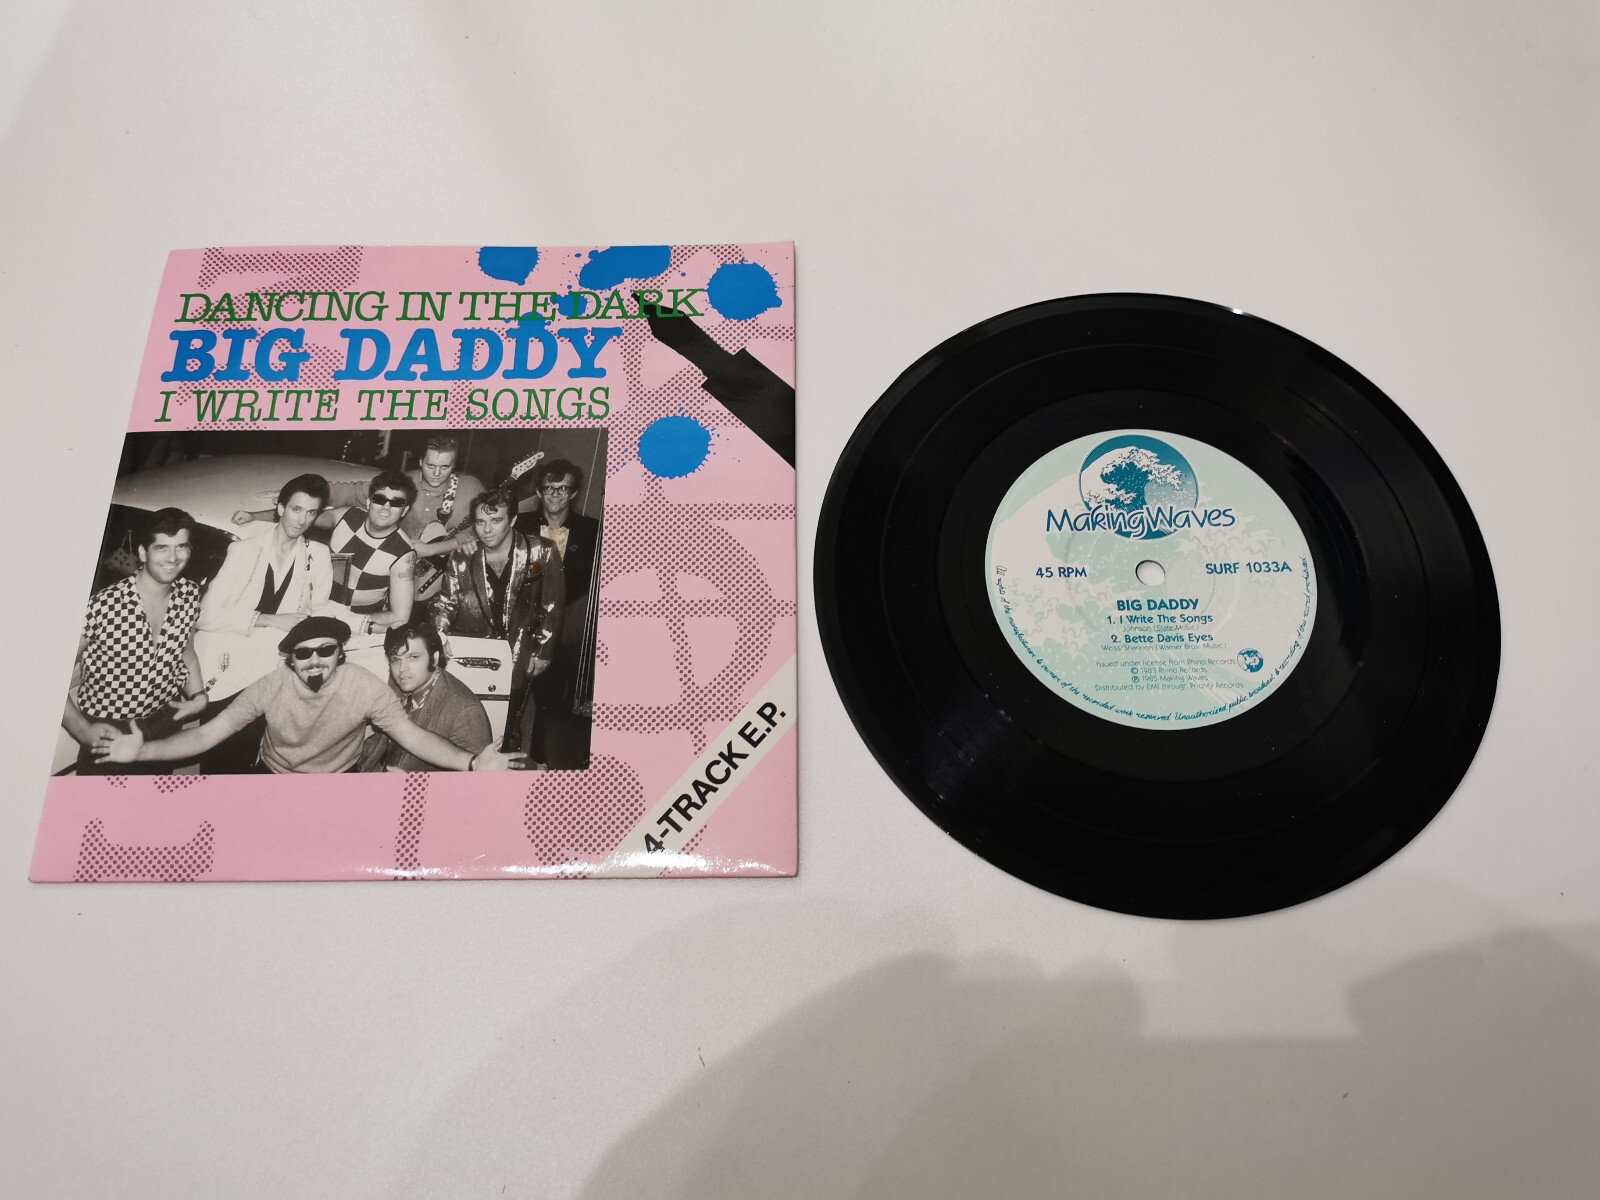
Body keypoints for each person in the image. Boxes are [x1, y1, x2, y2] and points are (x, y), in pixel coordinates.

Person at [92, 617, 525, 773]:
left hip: (336, 783)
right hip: (274, 775)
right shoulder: (269, 686)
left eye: (326, 651)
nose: (315, 661)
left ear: (340, 654)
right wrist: (141, 752)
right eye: (303, 653)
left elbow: (413, 736)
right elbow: (207, 735)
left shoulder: (364, 686)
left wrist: (472, 763)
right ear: (290, 659)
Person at [63, 507, 208, 775]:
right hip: (110, 728)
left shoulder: (189, 595)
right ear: (143, 553)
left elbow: (186, 651)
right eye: (162, 548)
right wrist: (81, 729)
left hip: (165, 720)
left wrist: (199, 696)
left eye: (181, 547)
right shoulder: (102, 606)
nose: (173, 558)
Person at [432, 487, 564, 753]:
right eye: (480, 522)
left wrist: (543, 651)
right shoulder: (462, 556)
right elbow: (445, 603)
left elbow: (553, 604)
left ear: (512, 520)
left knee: (510, 721)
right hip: (473, 653)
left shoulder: (542, 551)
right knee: (469, 719)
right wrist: (439, 636)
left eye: (496, 520)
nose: (487, 530)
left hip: (520, 650)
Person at [516, 459, 601, 768]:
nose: (555, 495)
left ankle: (541, 760)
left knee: (551, 698)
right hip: (520, 619)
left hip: (565, 625)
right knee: (512, 692)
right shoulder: (519, 523)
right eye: (549, 488)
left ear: (574, 493)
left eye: (562, 489)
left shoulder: (592, 530)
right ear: (539, 492)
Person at [201, 473, 334, 635]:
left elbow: (321, 611)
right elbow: (204, 616)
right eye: (297, 510)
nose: (302, 521)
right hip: (234, 643)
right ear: (281, 508)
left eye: (311, 512)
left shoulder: (319, 554)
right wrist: (268, 620)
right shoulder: (243, 551)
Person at [357, 620, 493, 772]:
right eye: (395, 660)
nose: (402, 668)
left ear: (434, 659)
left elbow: (477, 781)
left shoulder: (465, 711)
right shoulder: (404, 681)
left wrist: (413, 782)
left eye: (413, 657)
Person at [324, 471, 418, 633]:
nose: (386, 507)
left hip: (358, 629)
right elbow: (303, 519)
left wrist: (350, 621)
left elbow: (400, 617)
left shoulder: (403, 554)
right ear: (368, 502)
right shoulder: (345, 517)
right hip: (316, 609)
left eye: (396, 503)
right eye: (380, 499)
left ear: (404, 510)